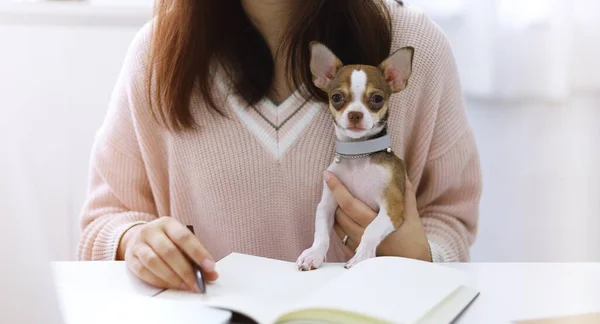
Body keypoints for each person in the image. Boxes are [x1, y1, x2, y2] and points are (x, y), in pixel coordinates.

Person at [78, 0, 482, 293]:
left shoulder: (415, 48)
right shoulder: (158, 57)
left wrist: (423, 257)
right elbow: (104, 221)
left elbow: (451, 218)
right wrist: (137, 241)